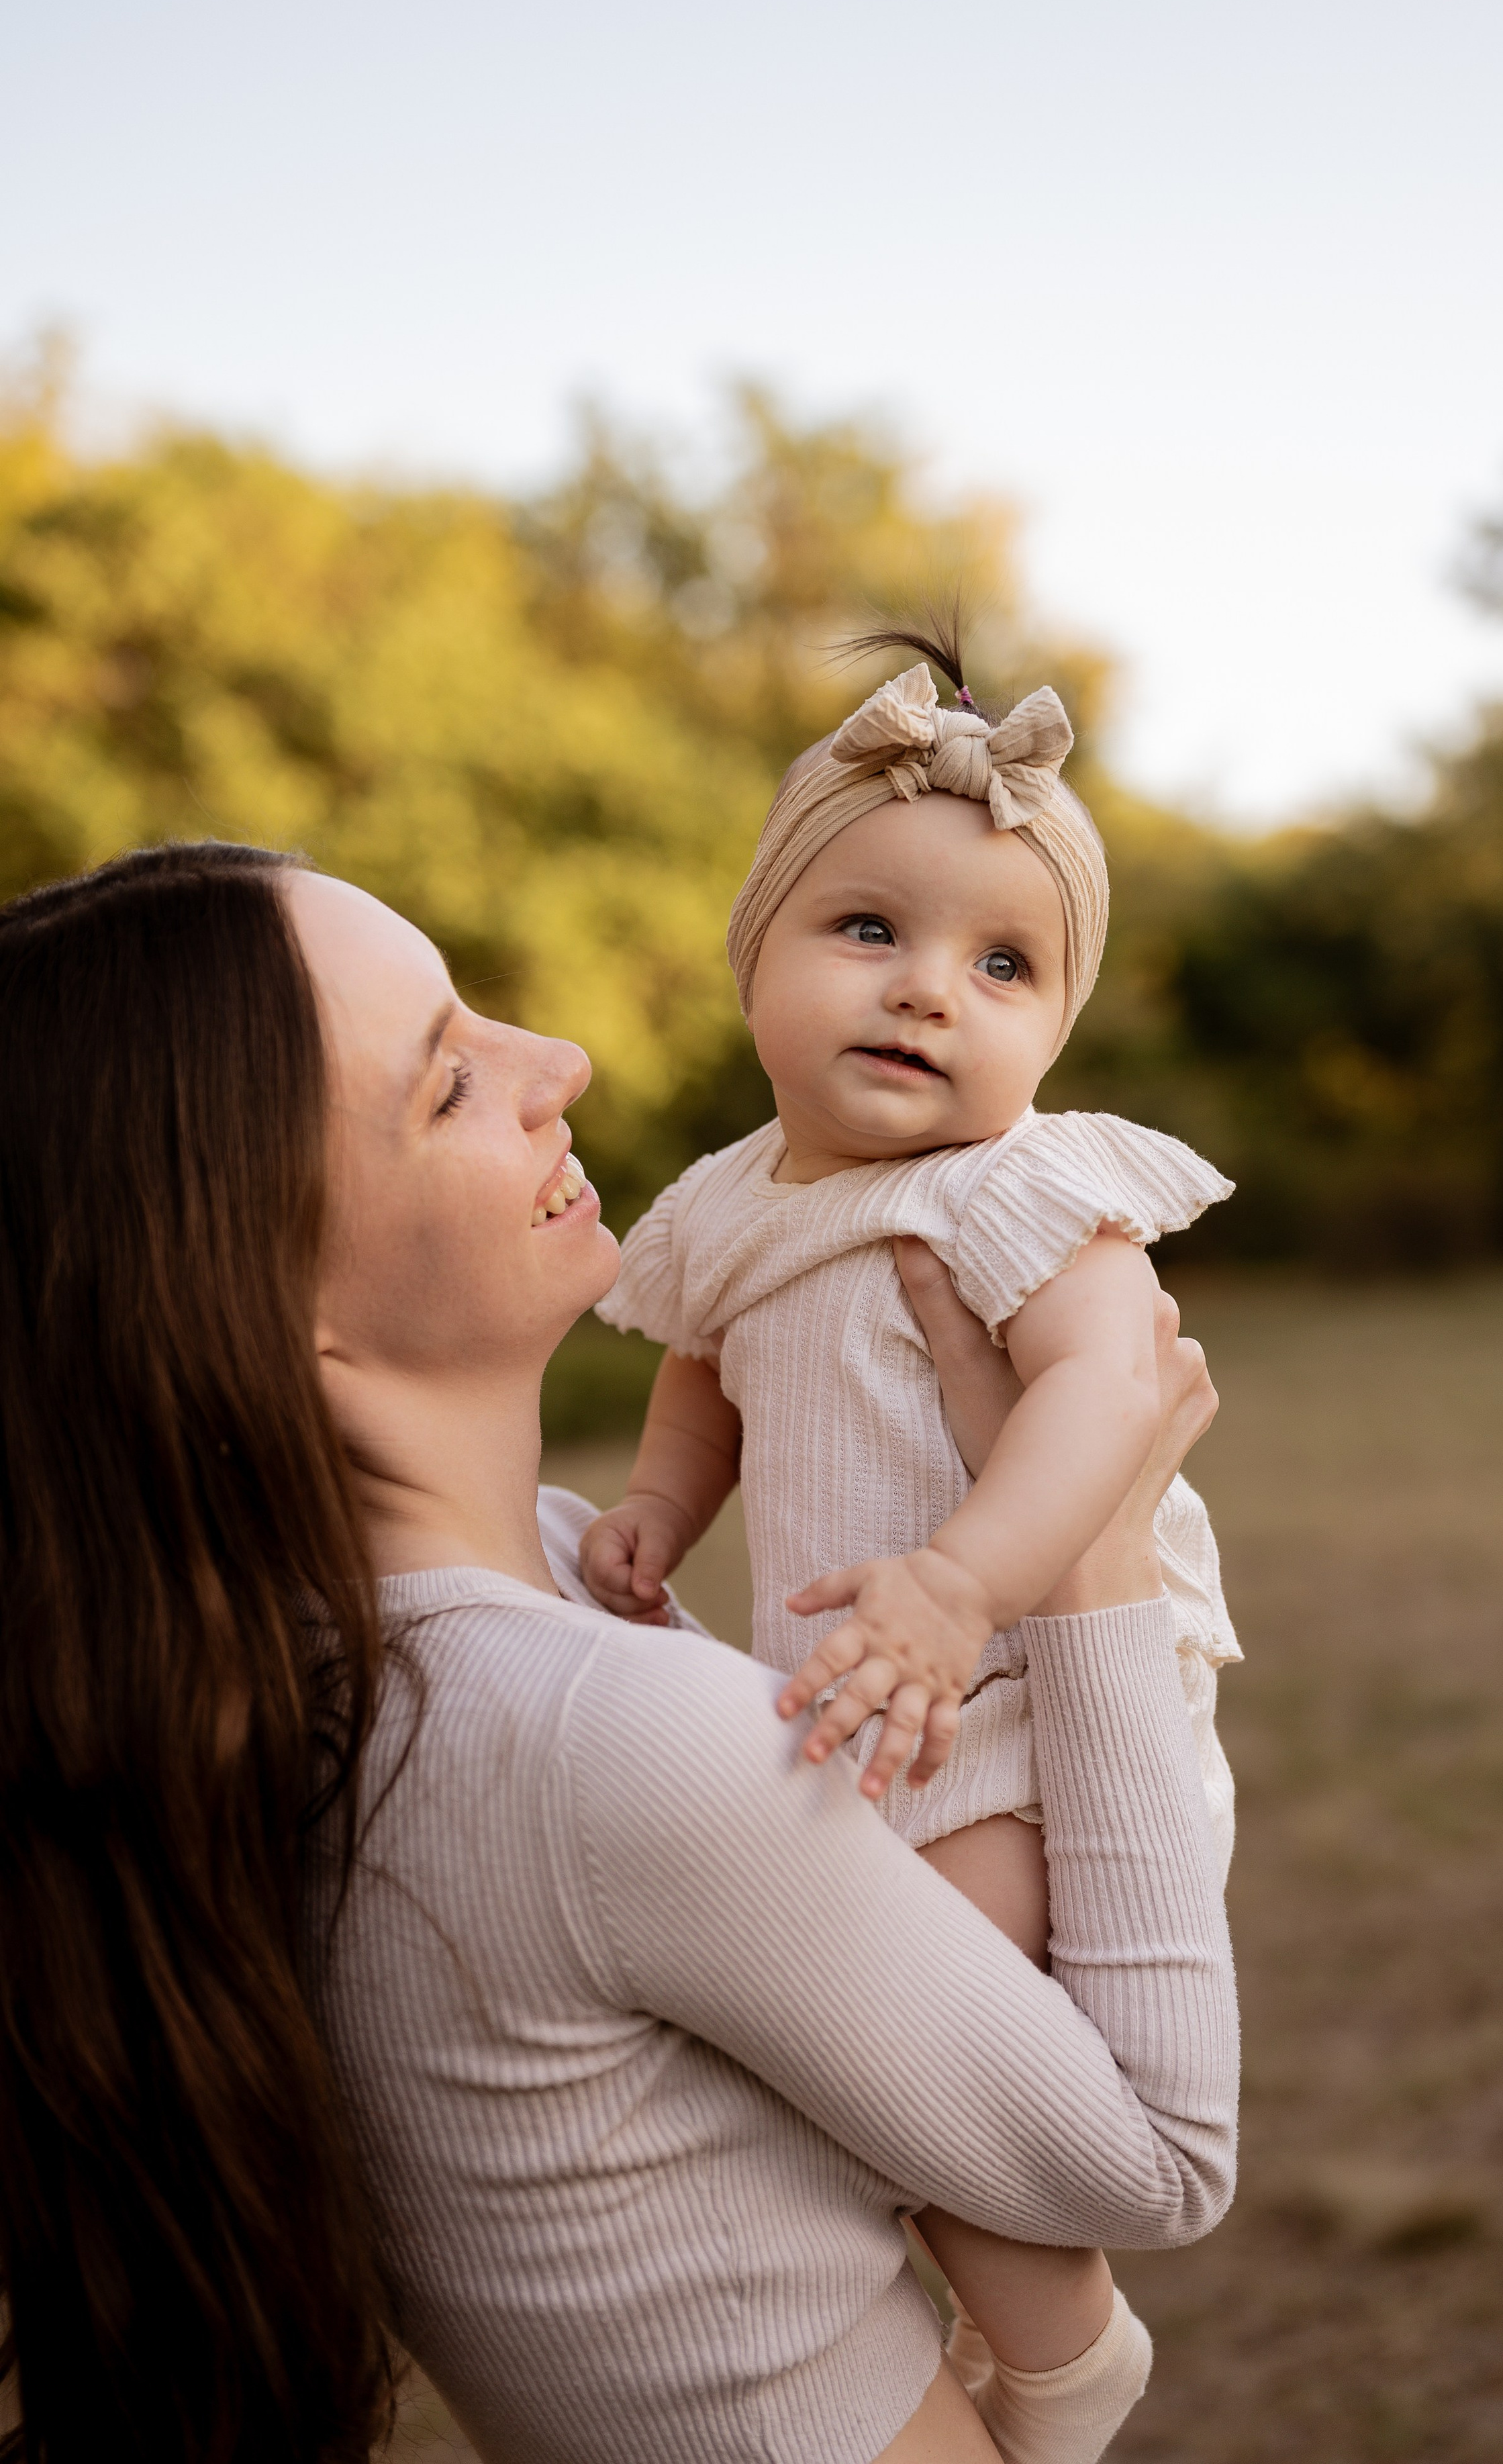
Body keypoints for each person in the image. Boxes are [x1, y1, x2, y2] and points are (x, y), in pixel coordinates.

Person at [0, 841, 1237, 2464]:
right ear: (259, 1291)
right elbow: (1155, 2159)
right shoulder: (587, 1732)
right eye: (446, 1080)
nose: (554, 1062)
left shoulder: (356, 1650)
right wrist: (1088, 1559)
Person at [580, 636, 1241, 2458]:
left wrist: (962, 1584)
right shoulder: (726, 1202)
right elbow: (703, 1383)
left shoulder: (1021, 1184)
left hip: (1033, 1697)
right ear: (756, 957)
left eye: (1003, 963)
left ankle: (1062, 2351)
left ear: (1054, 1025)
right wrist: (653, 1510)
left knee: (918, 2048)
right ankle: (1005, 2326)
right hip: (876, 1697)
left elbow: (1110, 1400)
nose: (930, 991)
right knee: (875, 2047)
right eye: (868, 930)